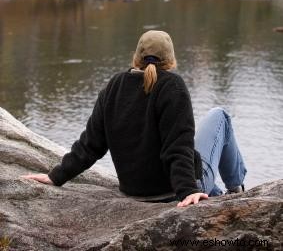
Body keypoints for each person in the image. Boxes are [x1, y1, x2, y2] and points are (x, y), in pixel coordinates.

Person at [22, 30, 247, 207]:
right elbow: (177, 148)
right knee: (220, 116)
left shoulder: (114, 86)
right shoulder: (172, 86)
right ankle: (236, 191)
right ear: (170, 60)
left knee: (206, 175)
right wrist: (188, 191)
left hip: (133, 191)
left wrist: (56, 176)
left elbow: (90, 145)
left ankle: (217, 195)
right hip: (171, 192)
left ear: (136, 57)